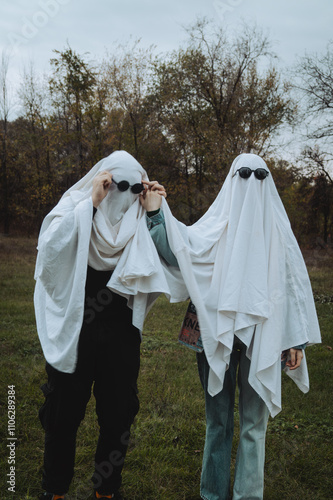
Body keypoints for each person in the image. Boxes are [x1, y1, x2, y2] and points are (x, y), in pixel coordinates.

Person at [140, 153, 321, 500]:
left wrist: (295, 341)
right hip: (214, 335)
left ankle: (247, 496)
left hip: (263, 339)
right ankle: (212, 494)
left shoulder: (278, 235)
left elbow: (293, 289)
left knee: (255, 426)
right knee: (217, 422)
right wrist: (155, 213)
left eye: (260, 176)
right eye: (244, 175)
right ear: (231, 179)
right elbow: (180, 250)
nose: (251, 184)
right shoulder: (215, 227)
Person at [34, 151, 168, 500]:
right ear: (102, 182)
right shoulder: (77, 206)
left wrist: (155, 209)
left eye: (132, 187)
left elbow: (176, 255)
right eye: (116, 185)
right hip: (76, 327)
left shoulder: (142, 217)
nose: (124, 194)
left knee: (118, 412)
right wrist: (91, 203)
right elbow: (48, 253)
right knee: (63, 411)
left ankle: (106, 489)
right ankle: (55, 489)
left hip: (121, 332)